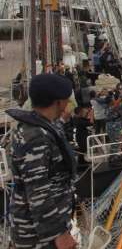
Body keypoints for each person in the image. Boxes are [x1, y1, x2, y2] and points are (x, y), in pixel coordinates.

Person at [6, 74, 78, 249]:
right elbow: (38, 192)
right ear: (58, 102)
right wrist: (59, 234)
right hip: (39, 236)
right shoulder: (35, 138)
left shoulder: (38, 127)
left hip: (43, 228)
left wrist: (62, 121)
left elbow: (51, 136)